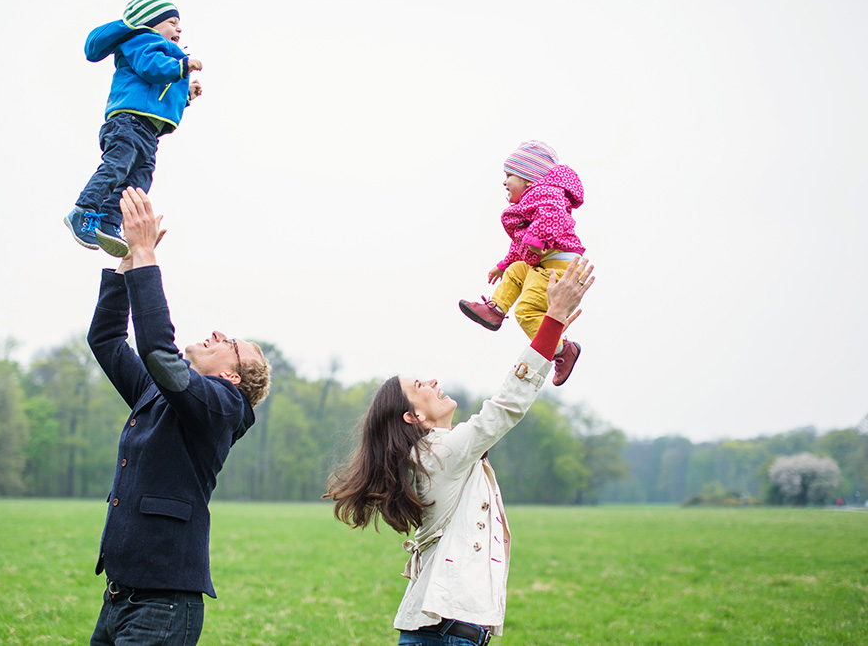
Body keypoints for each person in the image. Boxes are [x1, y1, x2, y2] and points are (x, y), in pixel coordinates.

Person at [327, 258, 594, 645]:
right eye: (420, 385)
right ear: (413, 414)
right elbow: (505, 408)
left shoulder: (435, 456)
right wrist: (550, 319)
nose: (434, 381)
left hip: (445, 635)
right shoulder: (436, 455)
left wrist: (551, 330)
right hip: (445, 637)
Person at [87, 186, 271, 646]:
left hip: (163, 608)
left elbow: (157, 351)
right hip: (118, 600)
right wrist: (128, 262)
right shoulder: (162, 392)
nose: (216, 332)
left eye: (230, 343)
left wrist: (148, 253)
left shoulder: (226, 407)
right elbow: (106, 340)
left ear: (233, 376)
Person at [64, 0, 204, 258]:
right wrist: (182, 66)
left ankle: (108, 221)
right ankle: (83, 211)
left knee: (138, 182)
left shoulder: (165, 54)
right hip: (128, 123)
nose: (179, 29)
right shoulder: (144, 40)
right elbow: (152, 68)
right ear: (151, 23)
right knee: (118, 166)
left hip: (148, 132)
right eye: (172, 22)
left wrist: (185, 96)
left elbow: (157, 93)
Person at [459, 140, 587, 386]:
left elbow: (553, 215)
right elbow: (522, 242)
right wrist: (505, 263)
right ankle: (495, 311)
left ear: (529, 179)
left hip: (558, 266)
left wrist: (537, 239)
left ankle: (563, 350)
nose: (504, 182)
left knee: (527, 312)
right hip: (550, 262)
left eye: (509, 175)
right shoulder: (532, 200)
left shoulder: (545, 194)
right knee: (518, 269)